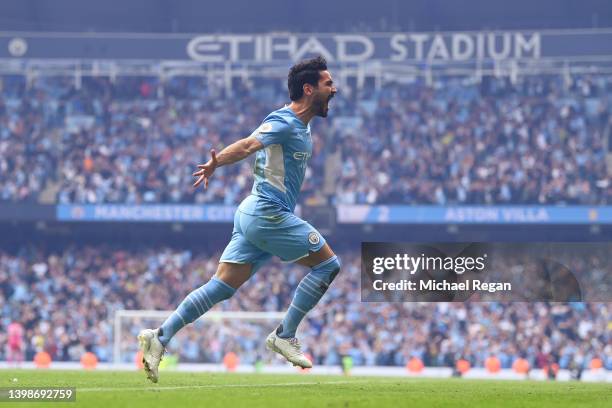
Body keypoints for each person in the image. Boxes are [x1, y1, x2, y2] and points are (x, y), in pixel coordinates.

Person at [138, 56, 339, 383]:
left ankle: (159, 337)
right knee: (328, 265)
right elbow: (248, 144)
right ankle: (284, 335)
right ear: (308, 88)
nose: (334, 89)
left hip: (253, 213)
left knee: (220, 287)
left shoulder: (300, 125)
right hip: (267, 212)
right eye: (328, 84)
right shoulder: (285, 121)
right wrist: (216, 163)